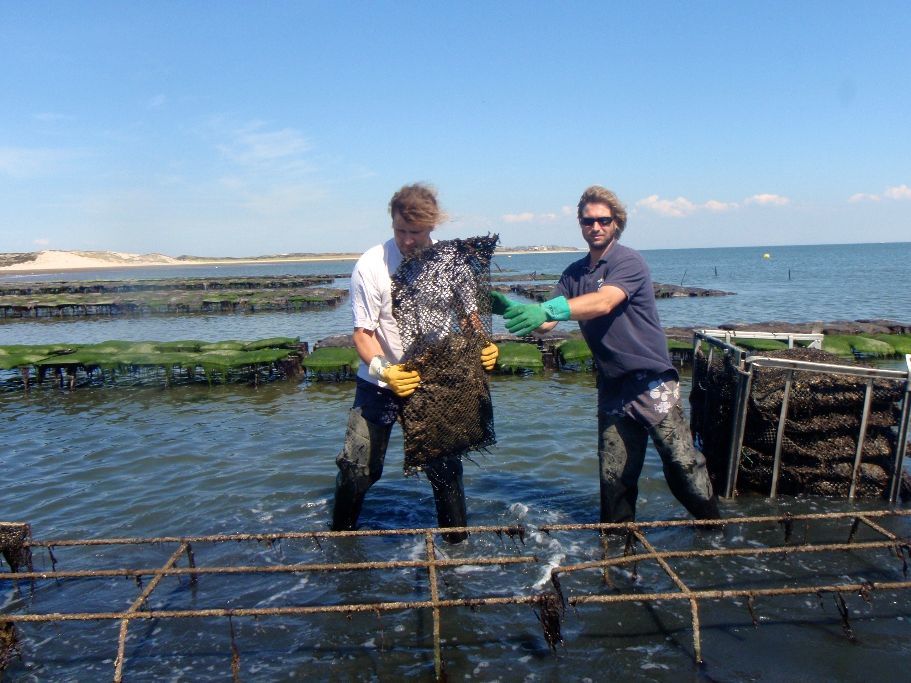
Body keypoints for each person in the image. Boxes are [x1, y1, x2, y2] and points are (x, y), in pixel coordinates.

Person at [492, 185, 719, 524]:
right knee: (614, 480)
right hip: (612, 386)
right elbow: (548, 327)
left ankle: (715, 530)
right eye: (588, 221)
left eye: (603, 220)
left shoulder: (627, 261)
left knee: (681, 464)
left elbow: (604, 301)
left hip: (650, 380)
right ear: (580, 224)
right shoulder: (573, 274)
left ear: (616, 223)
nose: (595, 227)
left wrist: (548, 310)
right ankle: (616, 555)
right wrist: (519, 310)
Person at [331, 183, 499, 542]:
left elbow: (469, 317)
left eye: (416, 232)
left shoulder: (452, 263)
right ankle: (340, 543)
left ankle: (456, 551)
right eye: (400, 231)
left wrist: (485, 345)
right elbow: (362, 333)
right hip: (381, 382)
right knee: (358, 468)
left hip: (437, 381)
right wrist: (384, 370)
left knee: (445, 469)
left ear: (432, 227)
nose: (407, 240)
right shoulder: (371, 265)